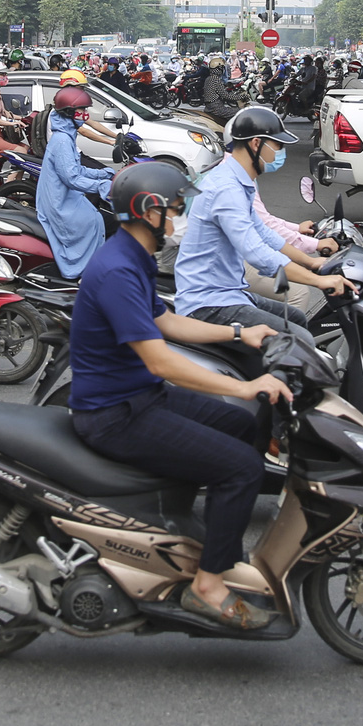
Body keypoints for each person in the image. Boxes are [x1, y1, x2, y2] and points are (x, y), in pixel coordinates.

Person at [68, 163, 291, 630]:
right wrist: (244, 386)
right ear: (147, 211)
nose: (179, 219)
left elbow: (167, 322)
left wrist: (238, 331)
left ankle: (210, 543)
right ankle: (207, 586)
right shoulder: (117, 269)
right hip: (115, 412)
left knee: (243, 424)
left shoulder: (133, 255)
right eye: (174, 210)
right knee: (243, 466)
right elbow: (162, 361)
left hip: (138, 396)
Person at [176, 105, 350, 346]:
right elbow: (257, 251)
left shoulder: (238, 180)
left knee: (297, 319)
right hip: (209, 303)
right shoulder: (226, 188)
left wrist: (312, 262)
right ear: (256, 144)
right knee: (300, 342)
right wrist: (318, 280)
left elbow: (264, 232)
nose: (279, 153)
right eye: (277, 145)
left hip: (228, 292)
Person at [36, 85, 116, 278]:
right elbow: (72, 179)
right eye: (83, 110)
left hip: (66, 197)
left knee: (96, 217)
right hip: (59, 203)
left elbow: (75, 169)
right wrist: (101, 186)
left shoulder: (66, 136)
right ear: (70, 112)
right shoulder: (63, 140)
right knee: (93, 220)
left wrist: (104, 174)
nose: (86, 114)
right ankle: (81, 271)